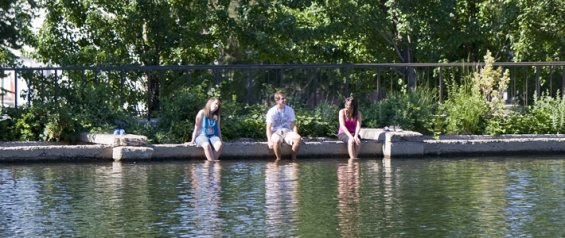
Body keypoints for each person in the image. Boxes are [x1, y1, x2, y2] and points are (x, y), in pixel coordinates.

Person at [266, 91, 301, 160]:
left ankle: (293, 159)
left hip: (287, 131)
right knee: (276, 141)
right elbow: (268, 128)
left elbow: (293, 125)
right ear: (277, 100)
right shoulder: (272, 111)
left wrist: (295, 135)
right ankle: (278, 159)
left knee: (298, 138)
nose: (284, 100)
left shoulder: (290, 110)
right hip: (276, 132)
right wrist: (269, 141)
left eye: (285, 98)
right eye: (282, 98)